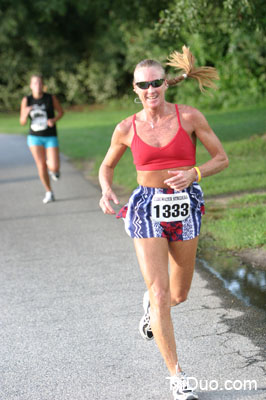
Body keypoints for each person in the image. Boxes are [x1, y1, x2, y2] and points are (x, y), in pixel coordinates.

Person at [98, 46, 229, 400]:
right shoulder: (126, 127)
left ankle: (152, 310)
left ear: (165, 85)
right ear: (135, 89)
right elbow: (106, 165)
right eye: (144, 85)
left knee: (178, 294)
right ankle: (177, 376)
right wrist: (106, 189)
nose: (151, 89)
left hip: (185, 205)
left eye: (156, 82)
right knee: (159, 293)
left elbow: (222, 158)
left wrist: (195, 172)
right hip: (147, 208)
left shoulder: (189, 118)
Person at [20, 74, 64, 204]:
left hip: (50, 136)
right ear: (31, 86)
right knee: (41, 165)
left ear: (42, 85)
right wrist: (26, 112)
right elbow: (22, 121)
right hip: (34, 137)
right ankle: (49, 191)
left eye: (39, 83)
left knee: (54, 167)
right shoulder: (26, 100)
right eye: (35, 83)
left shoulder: (50, 98)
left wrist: (53, 120)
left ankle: (54, 170)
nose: (37, 85)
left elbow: (61, 112)